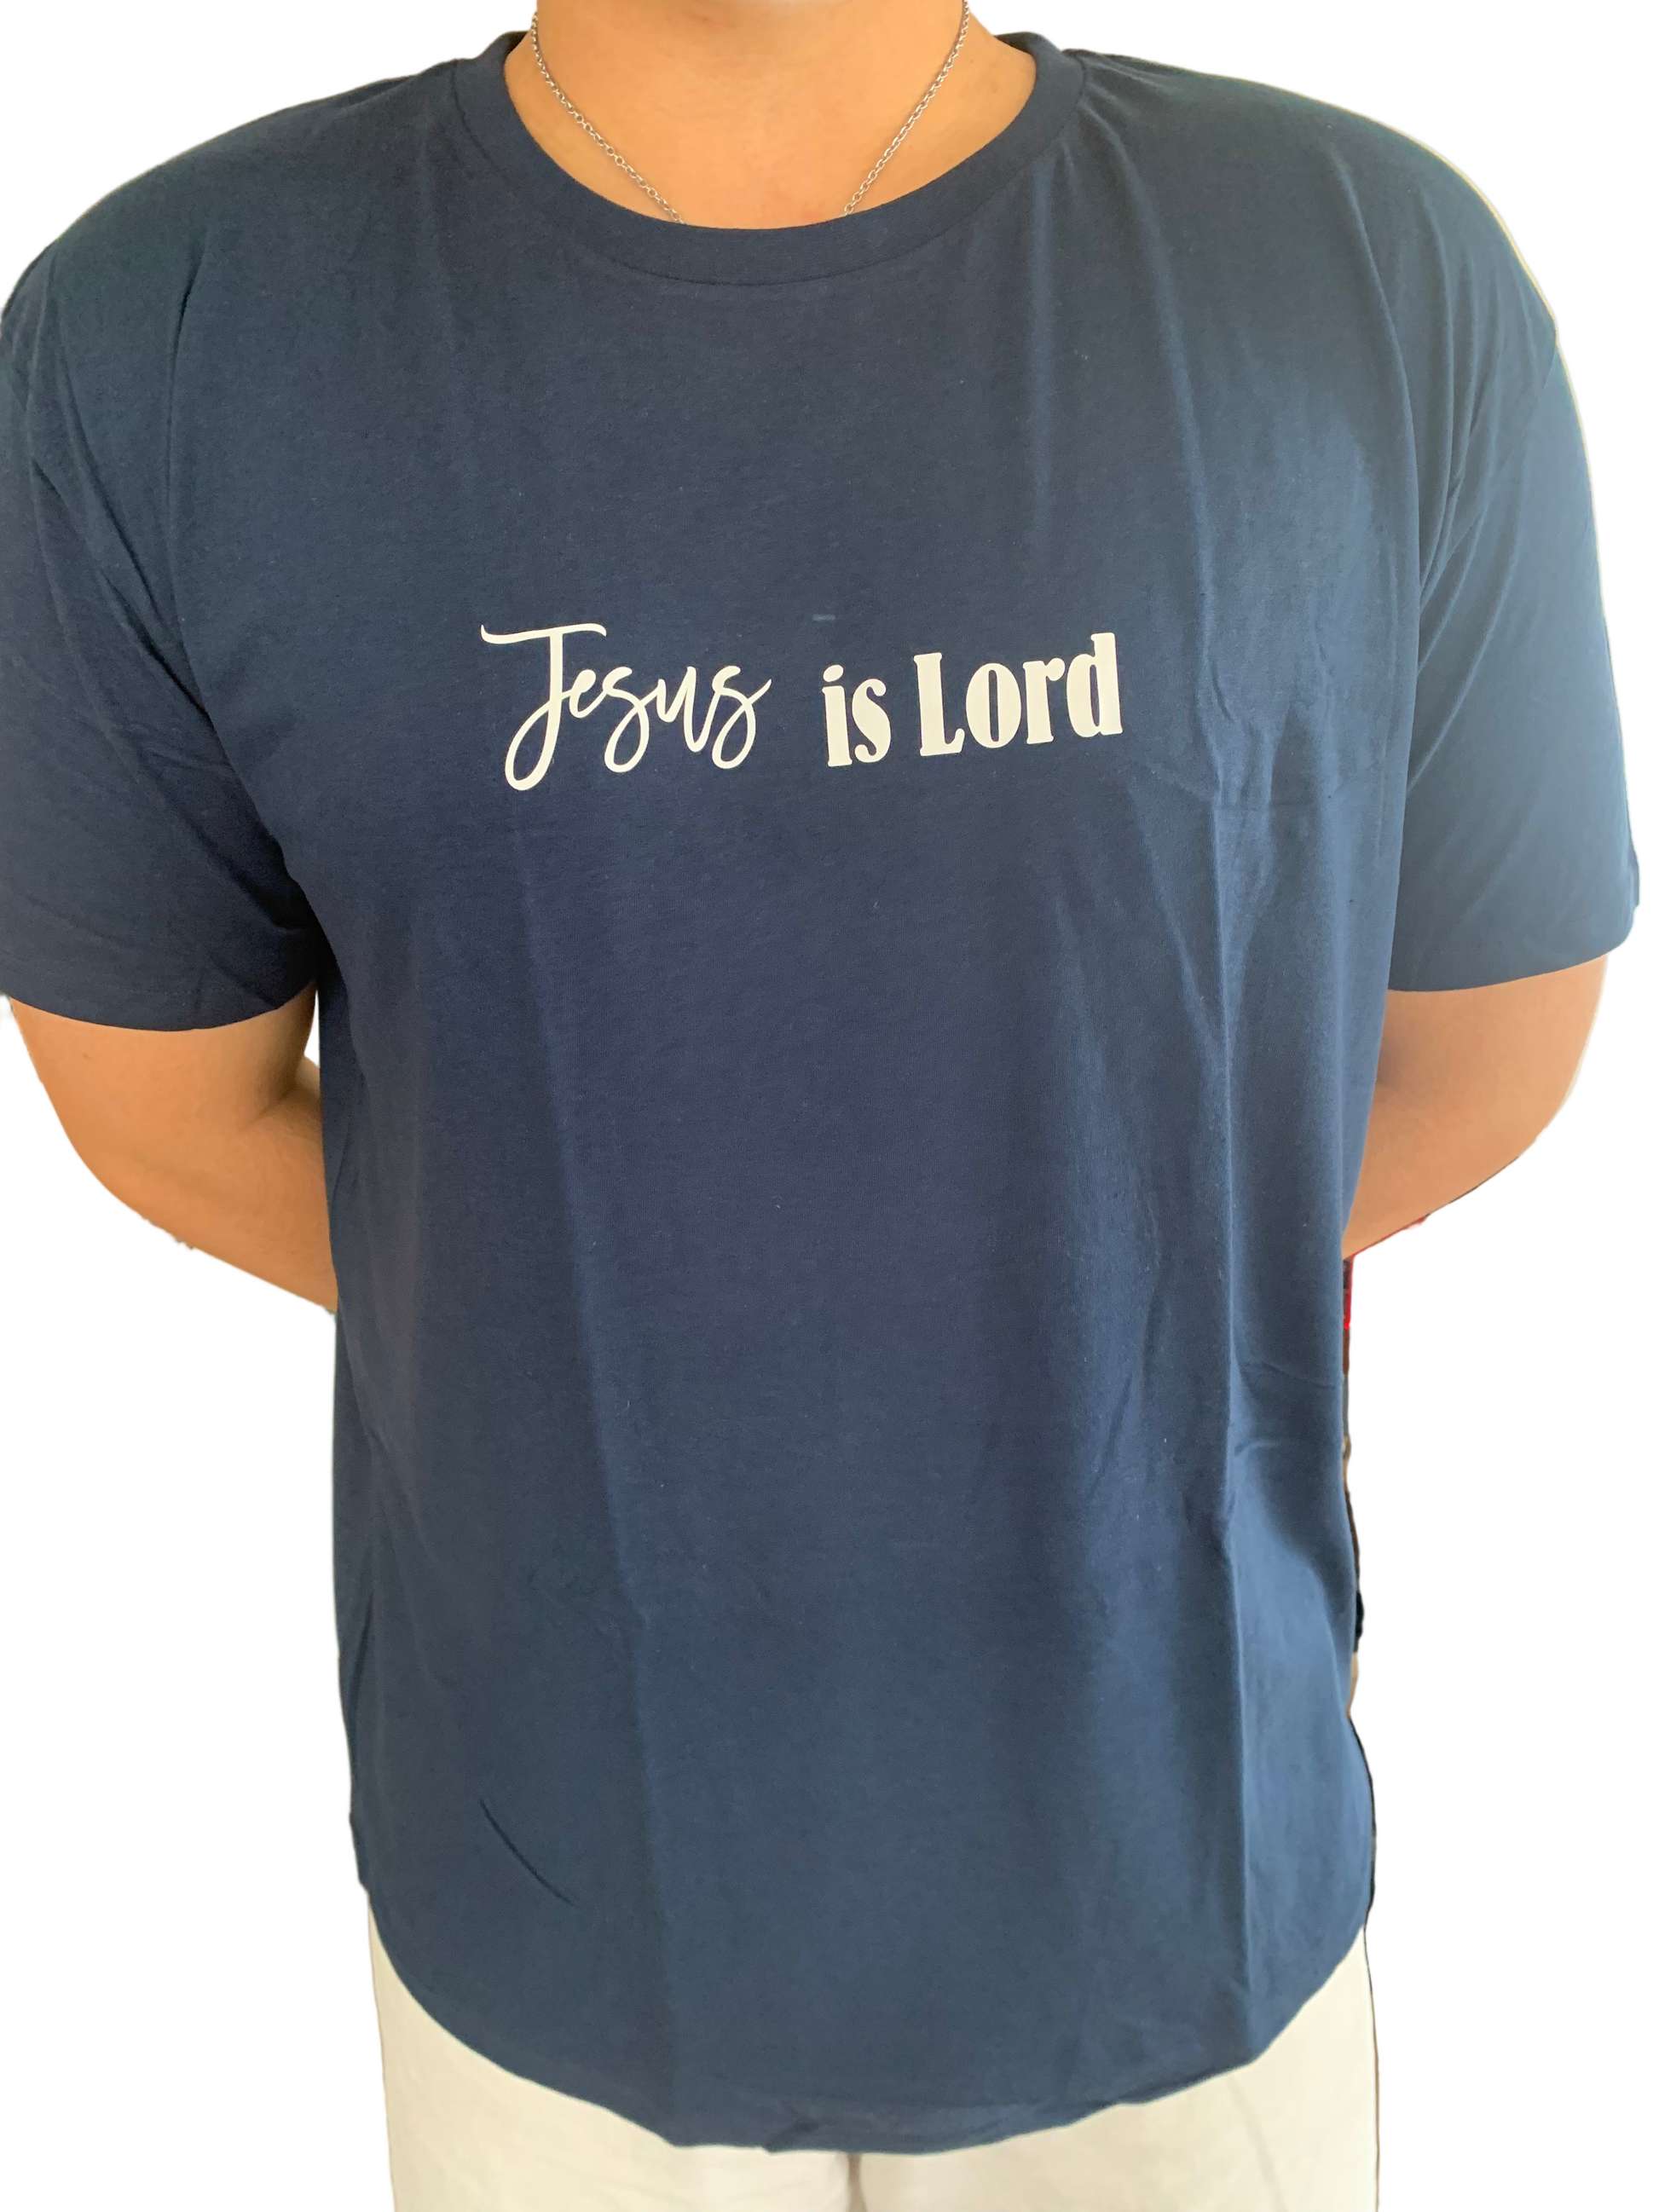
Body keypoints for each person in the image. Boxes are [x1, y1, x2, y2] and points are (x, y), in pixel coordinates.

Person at [0, 5, 1638, 2207]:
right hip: (558, 1897)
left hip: (1178, 1887)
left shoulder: (1362, 268)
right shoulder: (172, 334)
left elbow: (1488, 1042)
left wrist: (1080, 1289)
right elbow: (161, 1105)